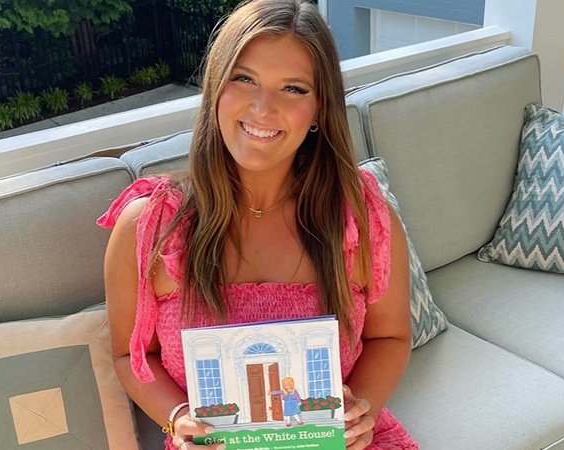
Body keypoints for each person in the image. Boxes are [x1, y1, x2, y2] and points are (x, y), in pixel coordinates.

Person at [97, 0, 418, 449]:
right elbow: (129, 355)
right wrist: (176, 419)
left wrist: (360, 411)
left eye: (293, 88)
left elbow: (391, 335)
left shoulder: (360, 218)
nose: (263, 108)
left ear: (319, 110)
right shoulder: (150, 228)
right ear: (215, 88)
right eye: (244, 78)